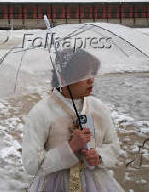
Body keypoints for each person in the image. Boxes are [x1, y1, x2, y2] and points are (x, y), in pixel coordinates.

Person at [22, 50, 123, 192]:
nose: (91, 80)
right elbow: (31, 164)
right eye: (84, 75)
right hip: (54, 184)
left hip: (96, 183)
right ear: (63, 79)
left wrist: (99, 156)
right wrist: (70, 147)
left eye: (93, 73)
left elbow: (113, 145)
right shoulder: (42, 112)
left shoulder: (98, 107)